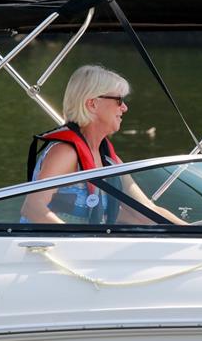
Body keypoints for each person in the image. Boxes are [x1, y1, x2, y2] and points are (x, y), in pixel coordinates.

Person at [21, 64, 186, 224]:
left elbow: (147, 210)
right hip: (45, 249)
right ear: (92, 104)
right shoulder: (65, 152)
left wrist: (196, 233)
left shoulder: (108, 158)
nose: (125, 108)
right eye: (119, 100)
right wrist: (78, 243)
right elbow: (32, 207)